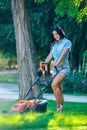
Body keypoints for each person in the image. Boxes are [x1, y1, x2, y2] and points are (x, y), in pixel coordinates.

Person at [41, 26, 72, 112]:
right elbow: (50, 55)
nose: (55, 36)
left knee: (54, 85)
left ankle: (58, 107)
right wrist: (44, 63)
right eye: (54, 35)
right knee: (59, 89)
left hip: (64, 68)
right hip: (55, 69)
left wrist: (57, 62)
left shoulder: (67, 42)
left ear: (60, 33)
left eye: (57, 34)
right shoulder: (54, 44)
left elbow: (63, 55)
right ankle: (61, 110)